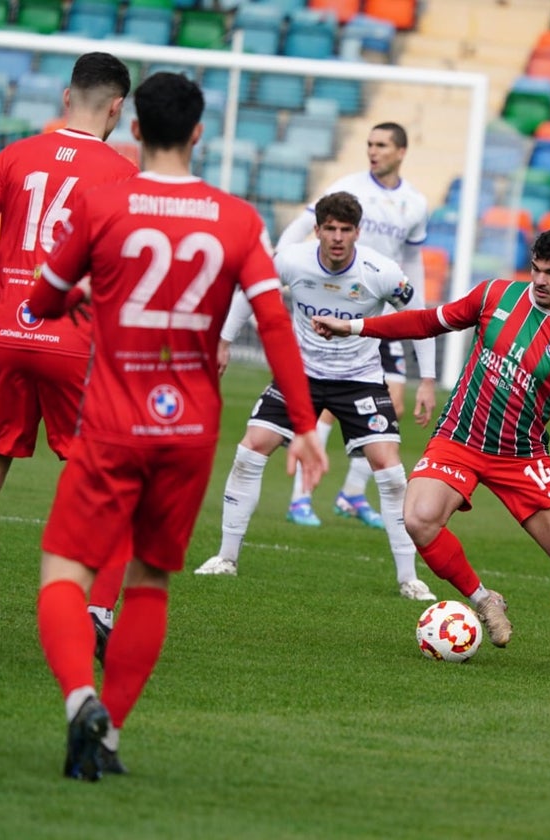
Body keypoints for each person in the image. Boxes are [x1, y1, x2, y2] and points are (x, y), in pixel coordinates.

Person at [28, 71, 327, 782]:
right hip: (189, 428)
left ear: (133, 129)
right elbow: (274, 322)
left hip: (112, 419)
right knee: (151, 579)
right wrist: (307, 426)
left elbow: (43, 298)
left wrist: (85, 297)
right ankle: (110, 740)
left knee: (63, 569)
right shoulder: (235, 218)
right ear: (198, 133)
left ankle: (79, 703)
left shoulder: (103, 204)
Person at [312, 228, 550, 671]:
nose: (540, 280)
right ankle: (484, 599)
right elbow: (426, 322)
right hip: (460, 437)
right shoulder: (495, 295)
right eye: (535, 268)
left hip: (522, 455)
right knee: (417, 519)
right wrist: (356, 327)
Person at [197, 191, 437, 602]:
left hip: (360, 379)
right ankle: (226, 557)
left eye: (346, 230)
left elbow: (421, 317)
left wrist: (428, 379)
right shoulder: (293, 259)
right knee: (250, 449)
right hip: (301, 375)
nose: (338, 238)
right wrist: (223, 339)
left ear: (358, 232)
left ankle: (408, 579)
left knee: (391, 470)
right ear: (318, 230)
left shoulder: (382, 271)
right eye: (331, 229)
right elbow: (248, 291)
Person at [0, 52, 140, 657]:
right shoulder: (121, 174)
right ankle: (96, 610)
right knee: (107, 479)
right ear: (118, 107)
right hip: (74, 347)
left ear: (66, 95)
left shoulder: (15, 155)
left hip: (7, 337)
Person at [274, 121, 436, 530]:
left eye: (381, 145)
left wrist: (415, 295)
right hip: (337, 303)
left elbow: (412, 258)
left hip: (378, 312)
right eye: (369, 144)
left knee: (391, 405)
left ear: (401, 151)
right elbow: (304, 224)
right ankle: (301, 498)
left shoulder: (415, 203)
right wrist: (282, 253)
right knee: (330, 405)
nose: (373, 151)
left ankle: (349, 494)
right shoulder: (350, 187)